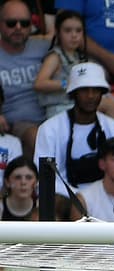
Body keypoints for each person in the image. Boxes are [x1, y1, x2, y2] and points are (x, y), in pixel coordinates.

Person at [34, 10, 114, 160]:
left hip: (81, 101)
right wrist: (69, 83)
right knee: (111, 105)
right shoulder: (55, 56)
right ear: (58, 33)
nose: (74, 35)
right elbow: (39, 83)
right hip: (62, 105)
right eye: (68, 31)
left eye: (78, 31)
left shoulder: (82, 57)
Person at [33, 61, 114, 194]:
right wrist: (79, 198)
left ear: (102, 93)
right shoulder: (49, 129)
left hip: (104, 197)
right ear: (73, 94)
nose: (90, 96)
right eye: (84, 90)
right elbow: (45, 178)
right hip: (64, 197)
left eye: (96, 90)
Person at [0, 0, 50, 155]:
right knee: (38, 138)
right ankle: (49, 180)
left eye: (25, 23)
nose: (18, 28)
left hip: (52, 116)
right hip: (16, 124)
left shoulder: (44, 46)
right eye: (11, 23)